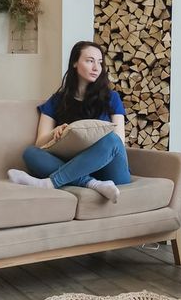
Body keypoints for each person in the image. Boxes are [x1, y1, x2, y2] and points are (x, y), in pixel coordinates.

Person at [8, 40, 131, 202]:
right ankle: (93, 184)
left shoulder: (111, 98)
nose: (96, 68)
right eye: (90, 61)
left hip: (110, 170)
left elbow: (119, 142)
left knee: (112, 140)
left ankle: (50, 183)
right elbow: (40, 142)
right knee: (30, 153)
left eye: (99, 62)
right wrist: (55, 133)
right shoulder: (57, 101)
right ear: (75, 62)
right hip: (75, 167)